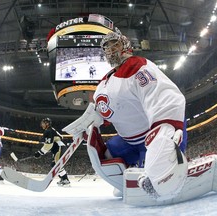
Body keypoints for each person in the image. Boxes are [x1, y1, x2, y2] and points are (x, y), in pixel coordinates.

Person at [93, 28, 187, 198]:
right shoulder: (104, 83)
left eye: (115, 44)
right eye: (106, 47)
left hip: (150, 137)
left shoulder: (137, 66)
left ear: (125, 44)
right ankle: (129, 177)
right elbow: (103, 109)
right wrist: (90, 123)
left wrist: (164, 131)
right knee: (105, 156)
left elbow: (161, 95)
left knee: (155, 166)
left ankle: (168, 167)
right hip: (128, 140)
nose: (110, 49)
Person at [34, 118, 70, 186]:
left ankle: (65, 180)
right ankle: (63, 179)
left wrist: (39, 153)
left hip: (59, 147)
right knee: (54, 165)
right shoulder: (51, 130)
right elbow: (59, 138)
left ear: (47, 124)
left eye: (43, 123)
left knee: (57, 165)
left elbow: (48, 146)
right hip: (58, 148)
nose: (42, 124)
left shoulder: (48, 131)